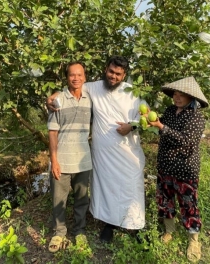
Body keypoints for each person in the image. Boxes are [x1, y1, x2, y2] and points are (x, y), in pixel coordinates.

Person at [48, 56, 146, 243]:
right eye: (111, 72)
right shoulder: (93, 87)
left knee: (131, 187)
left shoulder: (131, 92)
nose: (113, 76)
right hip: (104, 154)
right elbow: (72, 86)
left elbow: (145, 116)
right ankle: (109, 224)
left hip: (128, 152)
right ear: (105, 69)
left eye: (118, 74)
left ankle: (135, 225)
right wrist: (52, 97)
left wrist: (131, 126)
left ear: (124, 75)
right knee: (107, 187)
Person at [147, 76, 208, 263]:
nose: (177, 98)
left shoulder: (196, 118)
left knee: (188, 204)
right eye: (175, 94)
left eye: (182, 95)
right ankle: (169, 231)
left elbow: (187, 142)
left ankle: (193, 239)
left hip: (185, 169)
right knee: (165, 201)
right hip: (165, 165)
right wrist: (155, 121)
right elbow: (162, 128)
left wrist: (161, 127)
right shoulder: (171, 110)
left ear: (191, 97)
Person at [47, 61, 92, 253]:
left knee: (82, 199)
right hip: (62, 160)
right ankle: (59, 232)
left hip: (83, 160)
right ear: (67, 78)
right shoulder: (57, 100)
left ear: (85, 78)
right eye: (72, 75)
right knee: (59, 199)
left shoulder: (91, 98)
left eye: (80, 75)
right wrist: (54, 161)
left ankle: (79, 231)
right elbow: (52, 133)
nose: (76, 78)